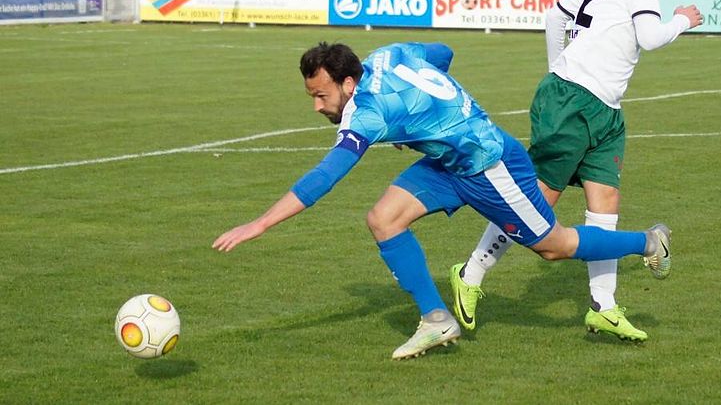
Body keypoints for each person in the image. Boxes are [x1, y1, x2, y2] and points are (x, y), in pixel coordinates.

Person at [213, 41, 671, 360]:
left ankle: (649, 242)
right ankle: (436, 319)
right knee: (383, 219)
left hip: (491, 165)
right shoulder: (388, 55)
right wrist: (429, 115)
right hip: (449, 162)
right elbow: (443, 53)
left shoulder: (368, 114)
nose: (317, 106)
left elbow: (324, 177)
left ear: (348, 83)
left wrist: (259, 224)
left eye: (321, 95)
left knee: (555, 246)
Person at [449, 0, 703, 343]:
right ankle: (470, 273)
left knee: (605, 203)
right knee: (536, 204)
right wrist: (684, 19)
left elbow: (556, 16)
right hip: (575, 103)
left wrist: (558, 71)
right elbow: (650, 36)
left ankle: (603, 307)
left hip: (603, 107)